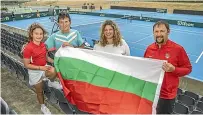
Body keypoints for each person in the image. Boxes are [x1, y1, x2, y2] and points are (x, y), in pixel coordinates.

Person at [144, 20, 192, 114]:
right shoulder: (149, 49)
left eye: (162, 31)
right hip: (151, 93)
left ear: (168, 32)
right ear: (153, 33)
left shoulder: (178, 49)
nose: (159, 34)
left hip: (166, 96)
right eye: (156, 31)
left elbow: (188, 69)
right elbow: (145, 68)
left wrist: (174, 69)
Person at [23, 23, 61, 114]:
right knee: (39, 92)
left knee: (53, 71)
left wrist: (55, 62)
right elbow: (26, 65)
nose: (39, 36)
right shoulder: (28, 48)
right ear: (32, 34)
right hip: (34, 72)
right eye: (36, 33)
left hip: (44, 68)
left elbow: (46, 58)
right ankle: (43, 107)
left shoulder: (43, 45)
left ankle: (51, 83)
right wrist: (41, 68)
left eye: (41, 34)